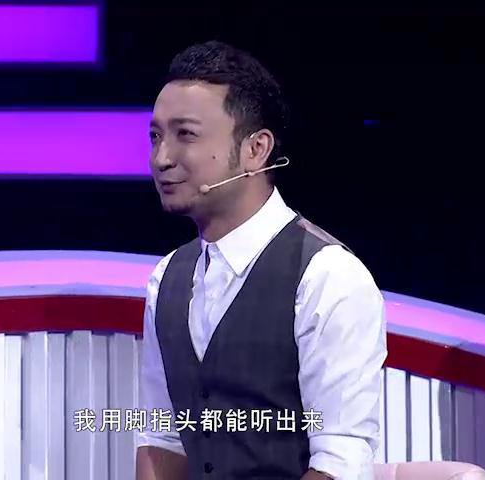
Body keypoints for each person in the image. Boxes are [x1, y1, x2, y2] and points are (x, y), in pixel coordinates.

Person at [136, 40, 386, 480]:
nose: (162, 158)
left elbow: (340, 461)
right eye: (156, 136)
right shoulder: (167, 278)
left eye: (185, 135)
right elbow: (163, 437)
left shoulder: (327, 277)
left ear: (256, 149)